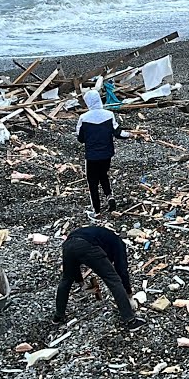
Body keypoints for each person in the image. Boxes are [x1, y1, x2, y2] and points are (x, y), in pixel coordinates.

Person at [53, 225, 146, 330]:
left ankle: (58, 316)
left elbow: (74, 263)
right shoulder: (118, 244)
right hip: (85, 244)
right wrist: (129, 296)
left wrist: (81, 283)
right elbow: (122, 271)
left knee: (66, 280)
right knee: (113, 280)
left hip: (68, 244)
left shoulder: (102, 236)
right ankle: (130, 320)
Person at [77, 89, 131, 218]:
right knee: (103, 175)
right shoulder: (109, 114)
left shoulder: (83, 118)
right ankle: (110, 197)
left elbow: (80, 138)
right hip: (107, 154)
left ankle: (96, 211)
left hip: (92, 156)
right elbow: (118, 133)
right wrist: (130, 134)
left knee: (92, 182)